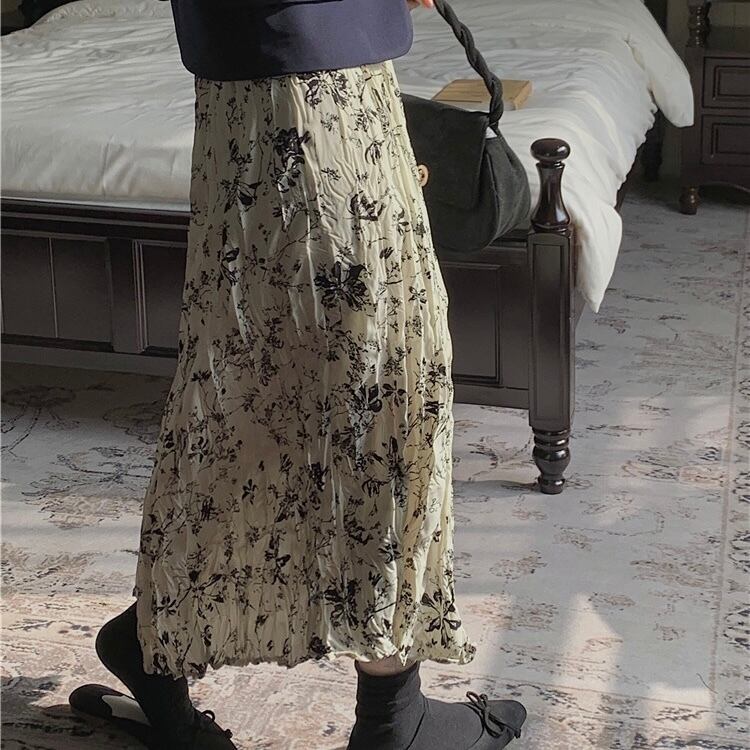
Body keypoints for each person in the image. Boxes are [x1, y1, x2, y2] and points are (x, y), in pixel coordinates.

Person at [68, 1, 528, 748]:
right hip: (311, 84)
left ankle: (155, 635)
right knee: (376, 379)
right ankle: (393, 715)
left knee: (265, 378)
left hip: (276, 84)